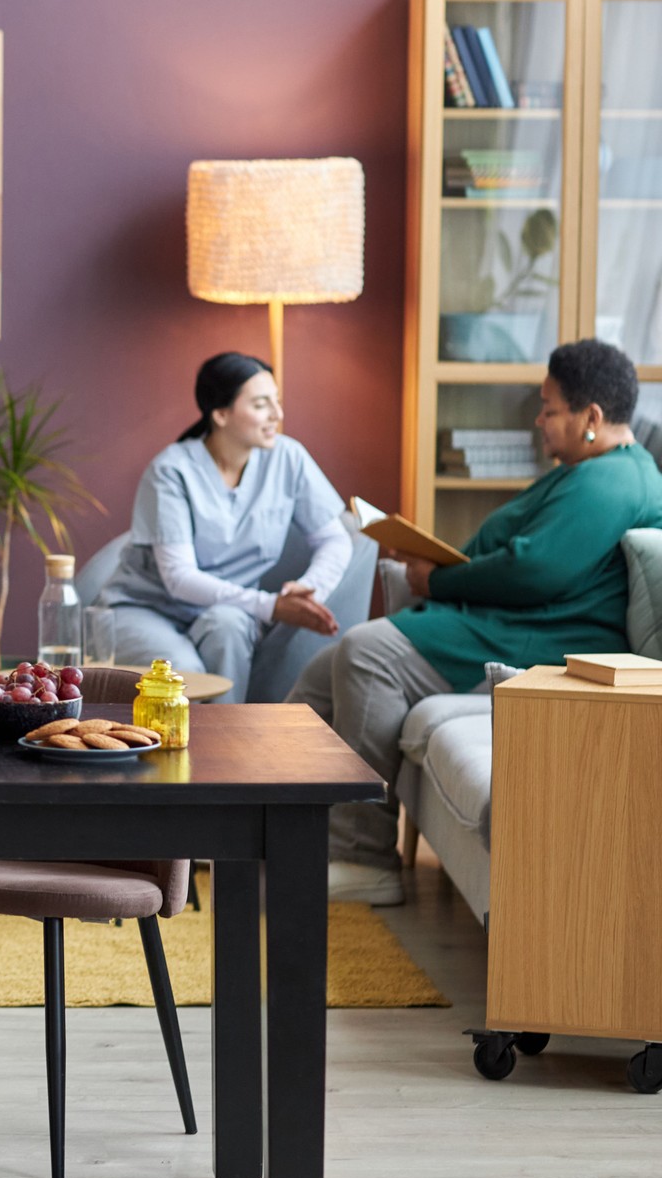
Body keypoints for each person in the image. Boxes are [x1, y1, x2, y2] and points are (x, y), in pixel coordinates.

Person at [293, 339, 662, 906]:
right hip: (510, 620)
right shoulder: (592, 471)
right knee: (324, 671)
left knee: (367, 653)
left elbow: (536, 569)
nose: (539, 419)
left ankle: (365, 859)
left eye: (550, 407)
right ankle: (277, 832)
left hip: (544, 639)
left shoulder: (615, 480)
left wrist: (437, 581)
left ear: (592, 417)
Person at [98, 352, 353, 703]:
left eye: (277, 402)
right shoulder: (171, 471)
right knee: (182, 673)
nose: (278, 415)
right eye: (262, 404)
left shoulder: (288, 458)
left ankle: (228, 750)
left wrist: (309, 590)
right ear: (220, 414)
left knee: (230, 627)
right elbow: (178, 577)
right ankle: (180, 753)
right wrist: (271, 605)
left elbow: (334, 538)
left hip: (225, 608)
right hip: (146, 609)